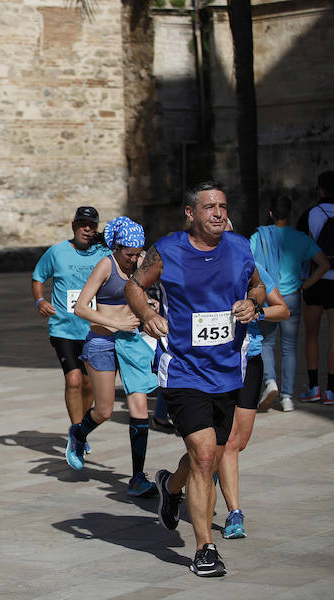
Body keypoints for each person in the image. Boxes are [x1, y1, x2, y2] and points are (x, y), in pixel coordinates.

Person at [126, 181, 265, 577]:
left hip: (227, 370)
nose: (219, 213)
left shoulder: (240, 247)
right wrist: (148, 315)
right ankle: (206, 548)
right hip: (183, 369)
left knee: (212, 455)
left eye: (222, 206)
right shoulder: (168, 250)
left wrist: (251, 303)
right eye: (209, 207)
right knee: (205, 456)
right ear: (191, 213)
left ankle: (171, 488)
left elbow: (257, 285)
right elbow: (136, 286)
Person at [71, 216, 158, 496]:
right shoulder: (106, 264)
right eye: (130, 254)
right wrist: (117, 323)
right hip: (102, 341)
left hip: (130, 342)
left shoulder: (142, 260)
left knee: (140, 407)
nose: (134, 260)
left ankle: (137, 477)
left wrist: (149, 306)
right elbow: (81, 308)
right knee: (104, 410)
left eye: (137, 253)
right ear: (116, 247)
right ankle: (78, 434)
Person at [218, 220, 290, 539]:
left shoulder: (253, 267)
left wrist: (256, 313)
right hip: (215, 362)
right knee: (223, 442)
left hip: (250, 359)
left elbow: (283, 310)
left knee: (237, 442)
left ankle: (176, 482)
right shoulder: (202, 268)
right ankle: (234, 512)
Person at [31, 206, 110, 456]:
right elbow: (37, 277)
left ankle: (81, 432)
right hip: (63, 328)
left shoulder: (104, 253)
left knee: (88, 384)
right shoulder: (57, 252)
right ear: (73, 224)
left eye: (92, 225)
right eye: (83, 224)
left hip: (94, 328)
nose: (87, 229)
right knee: (73, 379)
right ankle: (76, 429)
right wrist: (40, 301)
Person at [250, 195, 329, 411]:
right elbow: (323, 263)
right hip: (292, 296)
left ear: (271, 214)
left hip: (267, 297)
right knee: (289, 348)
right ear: (291, 214)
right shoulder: (301, 238)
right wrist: (306, 285)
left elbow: (248, 264)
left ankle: (270, 381)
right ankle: (286, 398)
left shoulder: (259, 236)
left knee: (265, 343)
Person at [296, 171, 334, 404]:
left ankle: (313, 387)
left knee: (311, 335)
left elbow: (299, 250)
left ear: (320, 189)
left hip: (314, 280)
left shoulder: (311, 214)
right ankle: (332, 390)